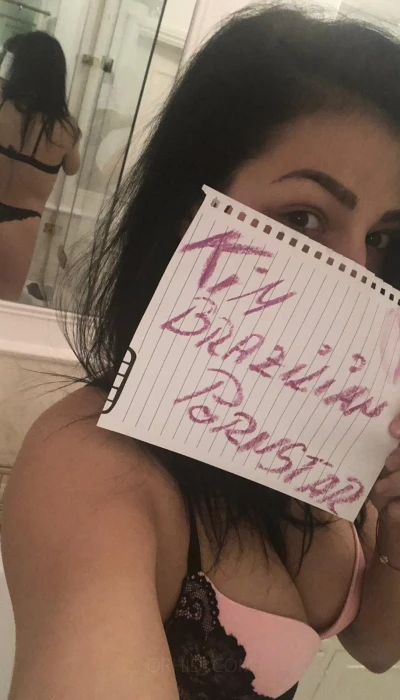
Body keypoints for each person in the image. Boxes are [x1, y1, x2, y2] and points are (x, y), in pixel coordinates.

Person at [3, 6, 400, 699]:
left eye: (384, 239)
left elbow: (374, 648)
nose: (357, 273)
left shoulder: (320, 446)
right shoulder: (91, 466)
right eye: (304, 218)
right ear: (193, 214)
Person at [0, 31, 81, 302]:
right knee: (5, 309)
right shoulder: (66, 130)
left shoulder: (3, 106)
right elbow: (73, 168)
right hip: (22, 225)